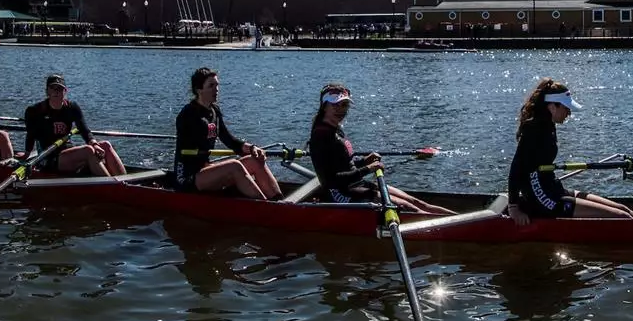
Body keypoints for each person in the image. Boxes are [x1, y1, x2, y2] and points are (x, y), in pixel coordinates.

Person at [508, 78, 633, 220]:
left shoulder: (548, 125)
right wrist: (513, 207)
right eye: (566, 108)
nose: (569, 113)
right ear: (552, 106)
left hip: (554, 189)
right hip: (541, 197)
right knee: (621, 216)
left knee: (623, 209)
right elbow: (516, 168)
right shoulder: (534, 130)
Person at [307, 83, 450, 215]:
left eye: (344, 105)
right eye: (336, 105)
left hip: (356, 185)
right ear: (325, 106)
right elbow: (332, 180)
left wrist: (364, 161)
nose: (341, 110)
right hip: (340, 193)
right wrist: (368, 169)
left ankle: (464, 221)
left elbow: (344, 166)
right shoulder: (320, 136)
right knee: (410, 209)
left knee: (417, 202)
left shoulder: (335, 129)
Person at [173, 67, 281, 199]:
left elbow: (229, 140)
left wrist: (252, 148)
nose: (216, 89)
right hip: (187, 177)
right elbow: (185, 151)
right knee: (234, 166)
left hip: (205, 169)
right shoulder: (187, 115)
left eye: (217, 85)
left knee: (256, 161)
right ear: (198, 89)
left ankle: (279, 201)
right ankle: (267, 209)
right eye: (211, 86)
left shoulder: (214, 111)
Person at [22, 74, 126, 176]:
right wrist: (26, 154)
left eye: (59, 88)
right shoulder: (35, 111)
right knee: (88, 151)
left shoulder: (72, 107)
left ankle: (125, 182)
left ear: (65, 91)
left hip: (68, 151)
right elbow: (31, 134)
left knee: (105, 146)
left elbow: (84, 129)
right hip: (48, 157)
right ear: (47, 91)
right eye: (52, 88)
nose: (56, 91)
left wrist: (94, 143)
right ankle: (112, 186)